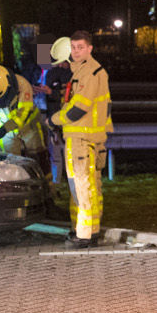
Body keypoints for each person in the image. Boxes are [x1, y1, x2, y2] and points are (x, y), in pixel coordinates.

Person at [50, 30, 112, 245]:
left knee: (81, 186)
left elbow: (78, 108)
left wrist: (53, 120)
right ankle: (89, 230)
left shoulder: (89, 73)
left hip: (82, 137)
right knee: (90, 186)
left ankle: (84, 235)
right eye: (73, 47)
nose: (76, 52)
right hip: (88, 136)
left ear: (90, 48)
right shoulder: (85, 71)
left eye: (80, 47)